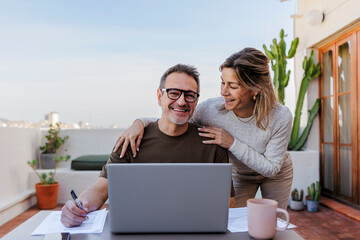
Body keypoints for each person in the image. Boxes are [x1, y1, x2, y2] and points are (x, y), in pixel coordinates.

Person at [114, 48, 293, 210]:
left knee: (275, 220)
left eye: (233, 86)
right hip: (240, 173)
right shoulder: (211, 110)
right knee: (235, 222)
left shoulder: (280, 116)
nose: (223, 92)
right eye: (223, 83)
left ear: (255, 89)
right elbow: (175, 117)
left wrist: (231, 143)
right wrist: (139, 122)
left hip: (275, 174)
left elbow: (271, 168)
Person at [61, 64, 232, 228]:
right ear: (159, 97)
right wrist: (79, 206)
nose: (181, 101)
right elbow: (100, 189)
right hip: (137, 231)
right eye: (173, 93)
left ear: (196, 100)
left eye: (189, 95)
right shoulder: (130, 140)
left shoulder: (212, 144)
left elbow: (228, 203)